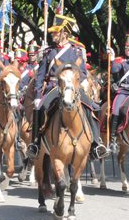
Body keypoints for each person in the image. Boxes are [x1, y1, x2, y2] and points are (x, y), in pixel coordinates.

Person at [28, 14, 109, 160]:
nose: (53, 34)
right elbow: (40, 76)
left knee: (93, 107)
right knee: (40, 108)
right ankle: (36, 143)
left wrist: (83, 84)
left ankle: (97, 143)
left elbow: (83, 73)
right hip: (54, 86)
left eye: (56, 32)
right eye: (52, 32)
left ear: (65, 33)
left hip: (73, 88)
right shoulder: (48, 52)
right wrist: (38, 96)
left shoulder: (76, 51)